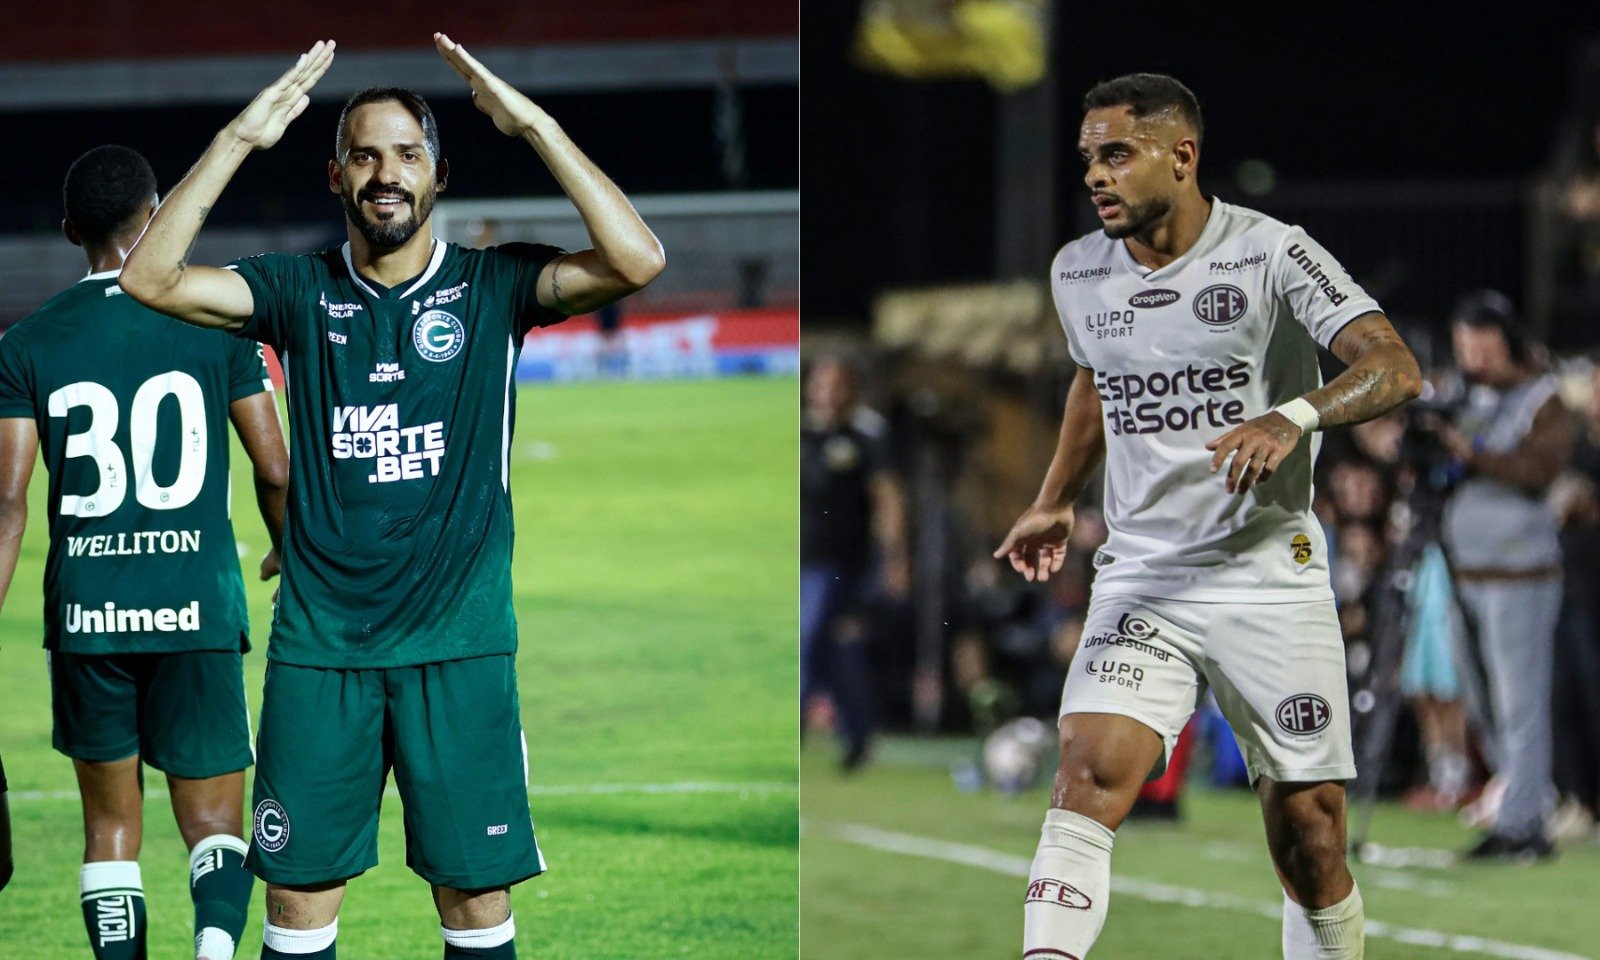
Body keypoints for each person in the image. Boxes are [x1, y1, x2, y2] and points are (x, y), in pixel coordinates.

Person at [120, 37, 664, 960]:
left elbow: (638, 259)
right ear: (336, 176)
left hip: (459, 647)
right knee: (295, 904)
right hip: (320, 652)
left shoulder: (494, 286)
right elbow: (149, 278)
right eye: (365, 155)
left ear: (439, 175)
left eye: (408, 154)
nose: (386, 174)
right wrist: (239, 138)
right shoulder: (296, 289)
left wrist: (534, 125)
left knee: (475, 902)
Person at [994, 74, 1421, 960]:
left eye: (1118, 154)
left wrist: (1292, 416)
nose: (1096, 175)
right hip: (1144, 577)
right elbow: (1095, 381)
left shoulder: (1272, 253)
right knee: (1085, 778)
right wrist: (1054, 498)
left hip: (1269, 578)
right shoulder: (1079, 271)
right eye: (1088, 159)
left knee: (1311, 837)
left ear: (1181, 156)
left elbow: (1394, 367)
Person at [0, 145, 290, 960]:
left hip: (87, 617)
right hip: (196, 606)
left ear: (69, 231)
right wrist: (285, 550)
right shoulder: (216, 324)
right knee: (214, 824)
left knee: (110, 829)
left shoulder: (25, 344)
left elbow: (7, 503)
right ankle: (214, 950)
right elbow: (276, 469)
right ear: (159, 214)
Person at [1434, 291, 1571, 860]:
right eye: (1465, 347)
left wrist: (1468, 451)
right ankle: (1521, 799)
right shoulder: (1460, 395)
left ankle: (1523, 826)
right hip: (1464, 569)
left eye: (1483, 348)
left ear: (1506, 342)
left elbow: (1538, 471)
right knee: (1482, 702)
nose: (1473, 360)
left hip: (1520, 574)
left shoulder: (1544, 399)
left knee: (1521, 705)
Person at [800, 356, 909, 769]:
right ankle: (858, 737)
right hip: (799, 557)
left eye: (836, 385)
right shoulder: (802, 432)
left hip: (838, 562)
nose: (827, 393)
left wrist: (894, 557)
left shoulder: (866, 436)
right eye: (820, 384)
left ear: (851, 390)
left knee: (808, 639)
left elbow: (888, 498)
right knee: (835, 650)